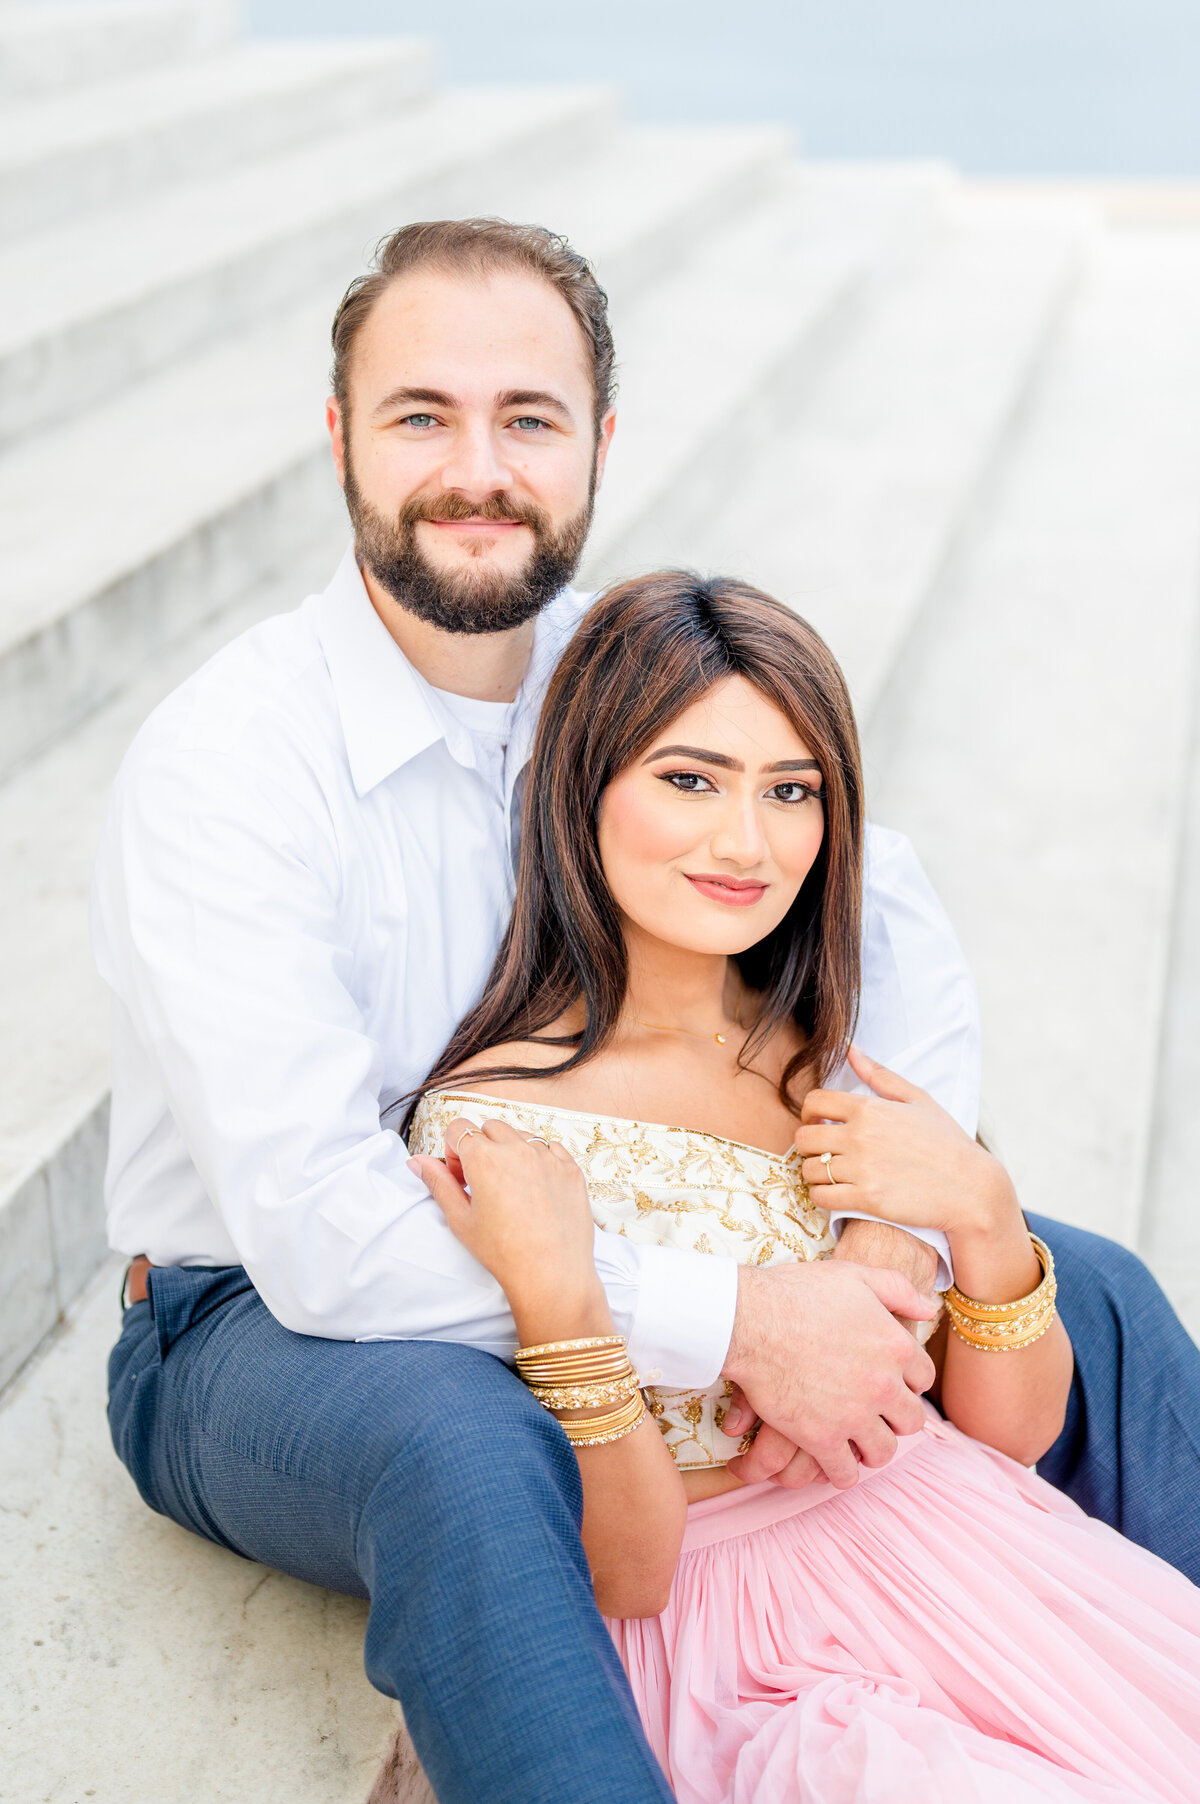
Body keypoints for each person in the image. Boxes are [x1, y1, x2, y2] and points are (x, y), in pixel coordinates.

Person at [94, 219, 1200, 1804]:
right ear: (340, 438)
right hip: (255, 1317)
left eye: (528, 417)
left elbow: (886, 907)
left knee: (1072, 1281)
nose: (478, 468)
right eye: (422, 414)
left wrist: (880, 1238)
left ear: (597, 443)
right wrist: (751, 1321)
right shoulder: (229, 767)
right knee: (463, 1446)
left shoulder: (621, 668)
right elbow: (322, 1230)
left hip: (604, 1199)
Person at [406, 569, 1200, 1803]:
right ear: (583, 785)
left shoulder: (827, 1059)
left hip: (976, 1562)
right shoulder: (497, 1120)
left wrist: (982, 1216)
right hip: (753, 1646)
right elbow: (622, 1573)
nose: (748, 842)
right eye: (690, 778)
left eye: (792, 792)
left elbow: (1013, 1433)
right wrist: (567, 1308)